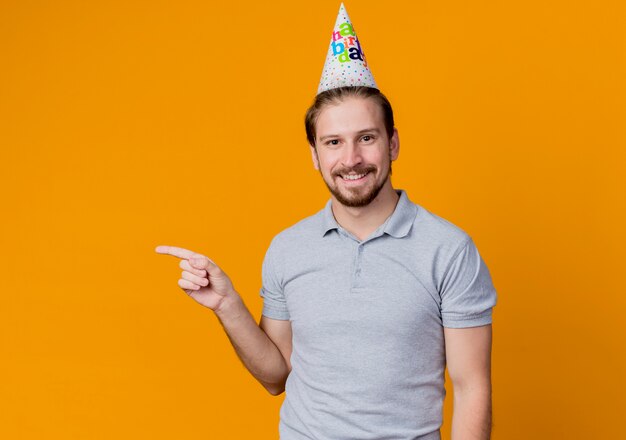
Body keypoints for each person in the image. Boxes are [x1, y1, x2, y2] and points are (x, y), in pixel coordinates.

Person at [156, 5, 497, 440]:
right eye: (333, 142)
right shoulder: (287, 248)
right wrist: (228, 305)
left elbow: (472, 388)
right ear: (315, 156)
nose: (351, 159)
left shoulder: (448, 249)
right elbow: (275, 376)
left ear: (392, 143)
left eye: (366, 138)